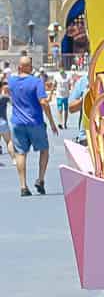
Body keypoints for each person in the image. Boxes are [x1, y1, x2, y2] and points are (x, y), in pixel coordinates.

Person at [8, 53, 56, 196]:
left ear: (19, 67)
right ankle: (40, 179)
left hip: (17, 122)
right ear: (29, 67)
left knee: (20, 153)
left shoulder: (11, 81)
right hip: (35, 122)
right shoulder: (36, 82)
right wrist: (52, 122)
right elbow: (43, 102)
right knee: (44, 150)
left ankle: (23, 186)